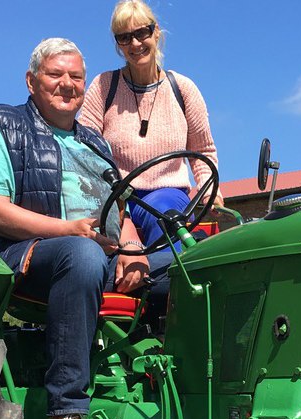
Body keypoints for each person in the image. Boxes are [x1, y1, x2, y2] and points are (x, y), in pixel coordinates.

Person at [0, 37, 150, 419]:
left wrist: (133, 247)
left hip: (94, 250)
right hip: (23, 254)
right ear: (32, 82)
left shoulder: (95, 142)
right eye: (55, 74)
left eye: (76, 76)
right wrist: (67, 230)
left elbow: (121, 210)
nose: (67, 83)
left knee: (187, 269)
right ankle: (65, 411)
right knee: (81, 256)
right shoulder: (2, 124)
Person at [80, 0, 221, 250]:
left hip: (168, 195)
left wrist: (210, 189)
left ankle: (169, 284)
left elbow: (203, 152)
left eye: (141, 33)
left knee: (163, 212)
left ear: (156, 33)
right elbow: (83, 150)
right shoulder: (104, 87)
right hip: (115, 198)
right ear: (118, 44)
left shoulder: (183, 89)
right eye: (124, 37)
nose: (135, 43)